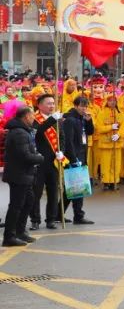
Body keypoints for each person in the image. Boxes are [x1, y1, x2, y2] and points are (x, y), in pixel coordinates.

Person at [3, 105, 44, 247]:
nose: (33, 118)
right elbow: (25, 156)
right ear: (26, 116)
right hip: (19, 174)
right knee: (16, 205)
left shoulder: (22, 131)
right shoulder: (20, 133)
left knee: (28, 201)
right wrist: (39, 157)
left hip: (23, 174)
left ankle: (20, 231)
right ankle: (9, 236)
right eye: (32, 116)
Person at [30, 93, 64, 229]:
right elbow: (37, 133)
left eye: (52, 103)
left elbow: (62, 138)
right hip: (39, 161)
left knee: (53, 191)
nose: (51, 106)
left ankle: (51, 219)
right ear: (39, 105)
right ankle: (35, 220)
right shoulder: (34, 119)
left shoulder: (58, 120)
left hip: (53, 161)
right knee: (36, 192)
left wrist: (62, 152)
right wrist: (51, 120)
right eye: (48, 103)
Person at [59, 95, 94, 224]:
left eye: (86, 106)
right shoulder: (70, 119)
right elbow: (68, 142)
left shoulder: (82, 119)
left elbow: (90, 133)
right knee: (78, 188)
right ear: (75, 106)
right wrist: (73, 159)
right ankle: (78, 216)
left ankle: (58, 213)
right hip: (74, 158)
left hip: (81, 156)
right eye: (82, 106)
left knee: (72, 187)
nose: (84, 108)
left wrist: (89, 121)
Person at [93, 92, 124, 190]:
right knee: (106, 163)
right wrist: (110, 127)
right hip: (105, 143)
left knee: (116, 163)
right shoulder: (102, 113)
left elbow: (123, 126)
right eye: (110, 100)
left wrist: (118, 134)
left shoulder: (120, 113)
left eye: (114, 100)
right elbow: (99, 128)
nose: (113, 102)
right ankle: (106, 182)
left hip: (117, 142)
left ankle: (114, 181)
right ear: (107, 102)